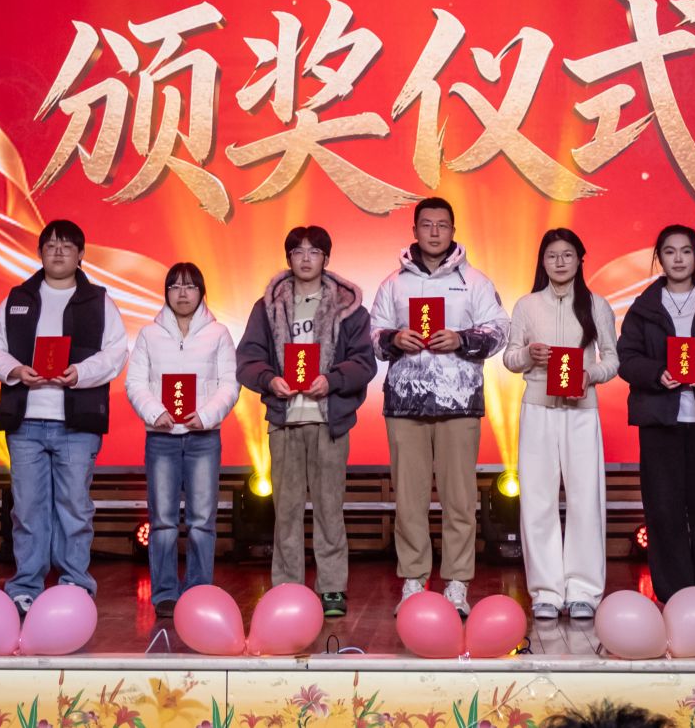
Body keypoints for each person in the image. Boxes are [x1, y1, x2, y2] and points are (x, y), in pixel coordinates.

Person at [0, 219, 128, 609]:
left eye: (67, 245)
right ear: (39, 253)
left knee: (75, 509)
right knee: (27, 509)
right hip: (25, 421)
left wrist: (79, 373)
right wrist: (15, 370)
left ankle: (74, 586)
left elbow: (116, 353)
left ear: (81, 255)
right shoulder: (18, 298)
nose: (58, 251)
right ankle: (25, 587)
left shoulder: (98, 301)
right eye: (50, 245)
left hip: (77, 423)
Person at [371, 196, 507, 616]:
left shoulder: (475, 281)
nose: (434, 232)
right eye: (426, 224)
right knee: (409, 500)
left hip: (459, 403)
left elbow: (499, 330)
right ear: (414, 230)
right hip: (405, 405)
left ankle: (457, 583)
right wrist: (395, 338)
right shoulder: (393, 283)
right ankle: (413, 579)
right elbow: (373, 334)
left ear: (453, 230)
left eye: (442, 225)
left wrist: (462, 339)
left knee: (459, 499)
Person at [235, 225, 376, 620]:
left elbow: (364, 362)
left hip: (329, 422)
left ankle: (332, 587)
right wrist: (269, 379)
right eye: (298, 251)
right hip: (285, 422)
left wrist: (332, 380)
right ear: (289, 258)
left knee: (330, 509)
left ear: (326, 259)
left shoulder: (348, 307)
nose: (306, 258)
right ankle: (288, 588)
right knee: (286, 510)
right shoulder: (268, 306)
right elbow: (247, 359)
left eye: (314, 251)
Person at [615, 223, 695, 597]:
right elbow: (627, 358)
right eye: (670, 252)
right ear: (660, 258)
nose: (679, 259)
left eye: (686, 251)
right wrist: (657, 374)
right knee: (664, 510)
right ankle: (673, 591)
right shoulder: (643, 308)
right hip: (660, 422)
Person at [502, 227, 617, 621]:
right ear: (543, 262)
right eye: (552, 256)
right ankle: (546, 592)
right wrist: (528, 355)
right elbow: (509, 358)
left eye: (567, 255)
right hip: (538, 409)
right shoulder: (527, 305)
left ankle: (583, 590)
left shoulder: (597, 305)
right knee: (538, 500)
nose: (560, 262)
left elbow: (612, 359)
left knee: (586, 498)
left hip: (581, 410)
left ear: (580, 259)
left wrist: (590, 374)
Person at [124, 262, 238, 616]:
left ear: (202, 292)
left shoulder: (218, 333)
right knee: (162, 521)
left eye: (190, 286)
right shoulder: (149, 334)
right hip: (161, 438)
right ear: (166, 293)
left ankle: (199, 590)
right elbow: (135, 382)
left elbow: (229, 384)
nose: (182, 293)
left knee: (202, 521)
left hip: (204, 437)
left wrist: (206, 416)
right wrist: (154, 412)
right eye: (175, 286)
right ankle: (165, 594)